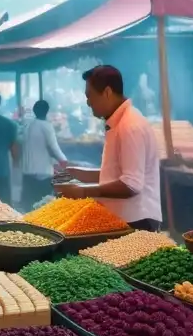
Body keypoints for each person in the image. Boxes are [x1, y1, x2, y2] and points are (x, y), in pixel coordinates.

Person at [58, 66, 162, 231]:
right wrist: (77, 173)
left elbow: (131, 184)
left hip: (137, 221)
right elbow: (116, 176)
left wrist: (84, 192)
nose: (88, 102)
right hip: (126, 219)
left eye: (89, 96)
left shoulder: (130, 126)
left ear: (107, 92)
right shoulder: (120, 122)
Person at [21, 99, 67, 210]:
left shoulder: (28, 125)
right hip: (42, 174)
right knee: (42, 207)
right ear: (46, 111)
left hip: (27, 173)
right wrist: (64, 161)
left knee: (29, 208)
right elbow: (54, 147)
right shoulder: (46, 126)